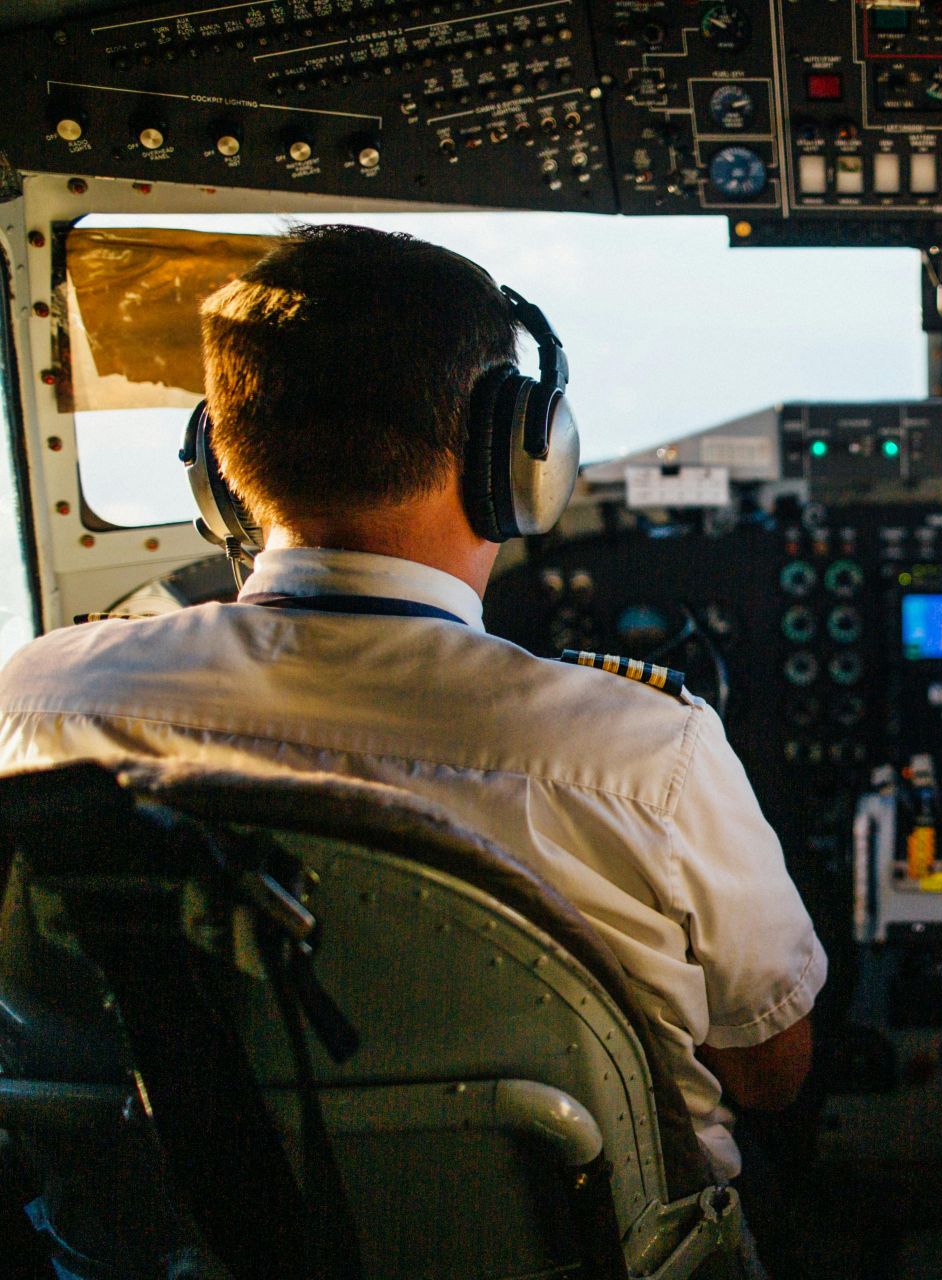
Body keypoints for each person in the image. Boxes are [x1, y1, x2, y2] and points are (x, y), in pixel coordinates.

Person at [0, 224, 824, 1183]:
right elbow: (771, 1072)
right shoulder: (645, 755)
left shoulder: (36, 703)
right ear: (521, 455)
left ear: (217, 464)